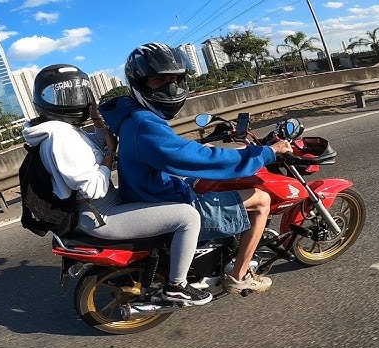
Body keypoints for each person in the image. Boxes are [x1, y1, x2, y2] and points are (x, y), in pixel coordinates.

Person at [99, 43, 293, 294]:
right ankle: (240, 274)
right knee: (261, 199)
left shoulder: (129, 116)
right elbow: (198, 158)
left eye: (176, 80)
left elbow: (170, 149)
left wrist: (201, 148)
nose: (170, 88)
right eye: (159, 80)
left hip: (149, 189)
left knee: (203, 181)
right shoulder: (143, 123)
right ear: (140, 83)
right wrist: (266, 153)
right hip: (162, 199)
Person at [21, 64, 212, 305]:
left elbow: (98, 142)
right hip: (102, 214)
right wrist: (110, 157)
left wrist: (97, 119)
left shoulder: (65, 131)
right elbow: (94, 187)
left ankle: (167, 262)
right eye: (65, 95)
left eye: (79, 93)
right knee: (188, 217)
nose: (75, 101)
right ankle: (176, 285)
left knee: (168, 194)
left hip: (104, 206)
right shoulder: (60, 137)